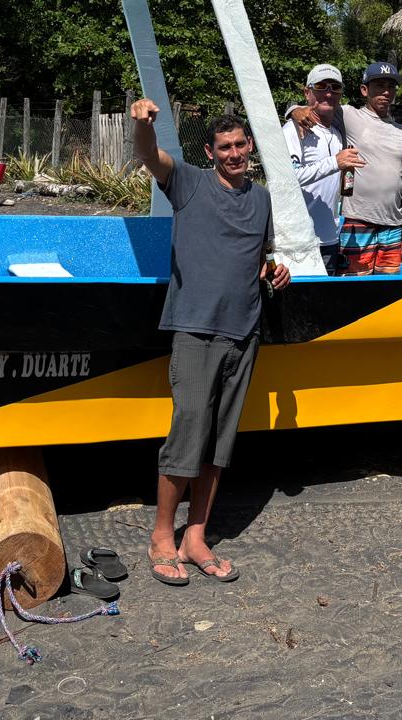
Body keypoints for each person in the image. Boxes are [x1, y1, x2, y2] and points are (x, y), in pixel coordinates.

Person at [130, 98, 290, 586]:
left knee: (219, 444)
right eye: (226, 146)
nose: (235, 152)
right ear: (211, 151)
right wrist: (142, 125)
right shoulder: (190, 183)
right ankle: (162, 535)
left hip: (245, 331)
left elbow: (258, 254)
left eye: (241, 144)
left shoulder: (260, 198)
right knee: (188, 435)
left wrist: (273, 268)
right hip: (196, 330)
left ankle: (195, 536)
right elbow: (149, 157)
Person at [291, 61, 402, 275]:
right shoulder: (349, 115)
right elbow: (323, 103)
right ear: (364, 90)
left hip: (392, 225)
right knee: (354, 288)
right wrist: (294, 109)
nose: (386, 92)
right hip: (358, 220)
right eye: (379, 86)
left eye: (391, 87)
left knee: (387, 293)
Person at [282, 64, 360, 275]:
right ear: (307, 93)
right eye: (321, 86)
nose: (328, 93)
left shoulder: (337, 132)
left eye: (335, 87)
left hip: (330, 240)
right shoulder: (294, 129)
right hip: (299, 242)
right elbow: (288, 178)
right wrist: (335, 162)